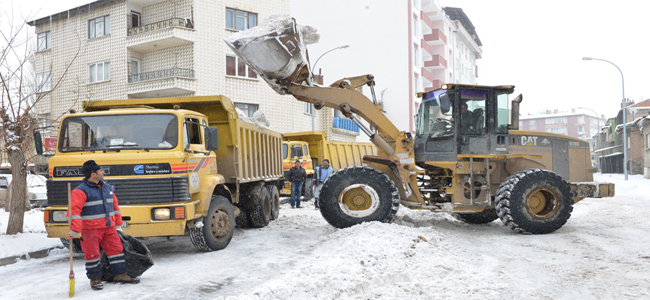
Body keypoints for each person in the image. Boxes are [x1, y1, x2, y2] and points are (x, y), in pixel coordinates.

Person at [67, 160, 140, 290]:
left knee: (116, 251)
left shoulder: (106, 187)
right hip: (90, 230)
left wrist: (118, 223)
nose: (103, 172)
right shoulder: (80, 191)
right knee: (92, 255)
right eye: (101, 171)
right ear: (93, 174)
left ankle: (120, 274)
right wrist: (75, 229)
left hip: (109, 228)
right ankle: (95, 279)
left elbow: (115, 206)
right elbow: (74, 211)